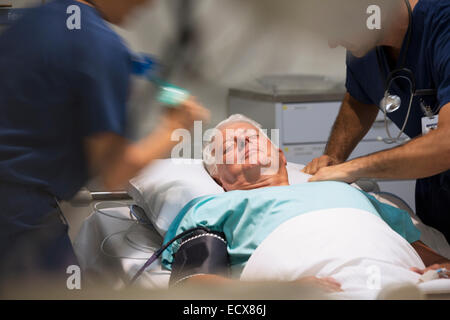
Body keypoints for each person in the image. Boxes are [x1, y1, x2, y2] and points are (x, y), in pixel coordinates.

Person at [0, 0, 209, 287]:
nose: (146, 4)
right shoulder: (101, 45)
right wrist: (175, 129)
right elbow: (115, 173)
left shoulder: (35, 20)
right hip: (17, 212)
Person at [160, 115, 450, 295]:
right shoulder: (212, 208)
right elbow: (194, 293)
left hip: (408, 286)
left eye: (250, 137)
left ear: (281, 156)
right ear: (218, 176)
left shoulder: (346, 192)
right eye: (228, 148)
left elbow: (436, 262)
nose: (242, 144)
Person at [303, 0, 450, 243]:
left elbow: (446, 144)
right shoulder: (366, 49)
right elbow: (359, 98)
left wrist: (351, 168)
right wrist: (334, 157)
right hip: (436, 194)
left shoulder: (442, 23)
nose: (332, 43)